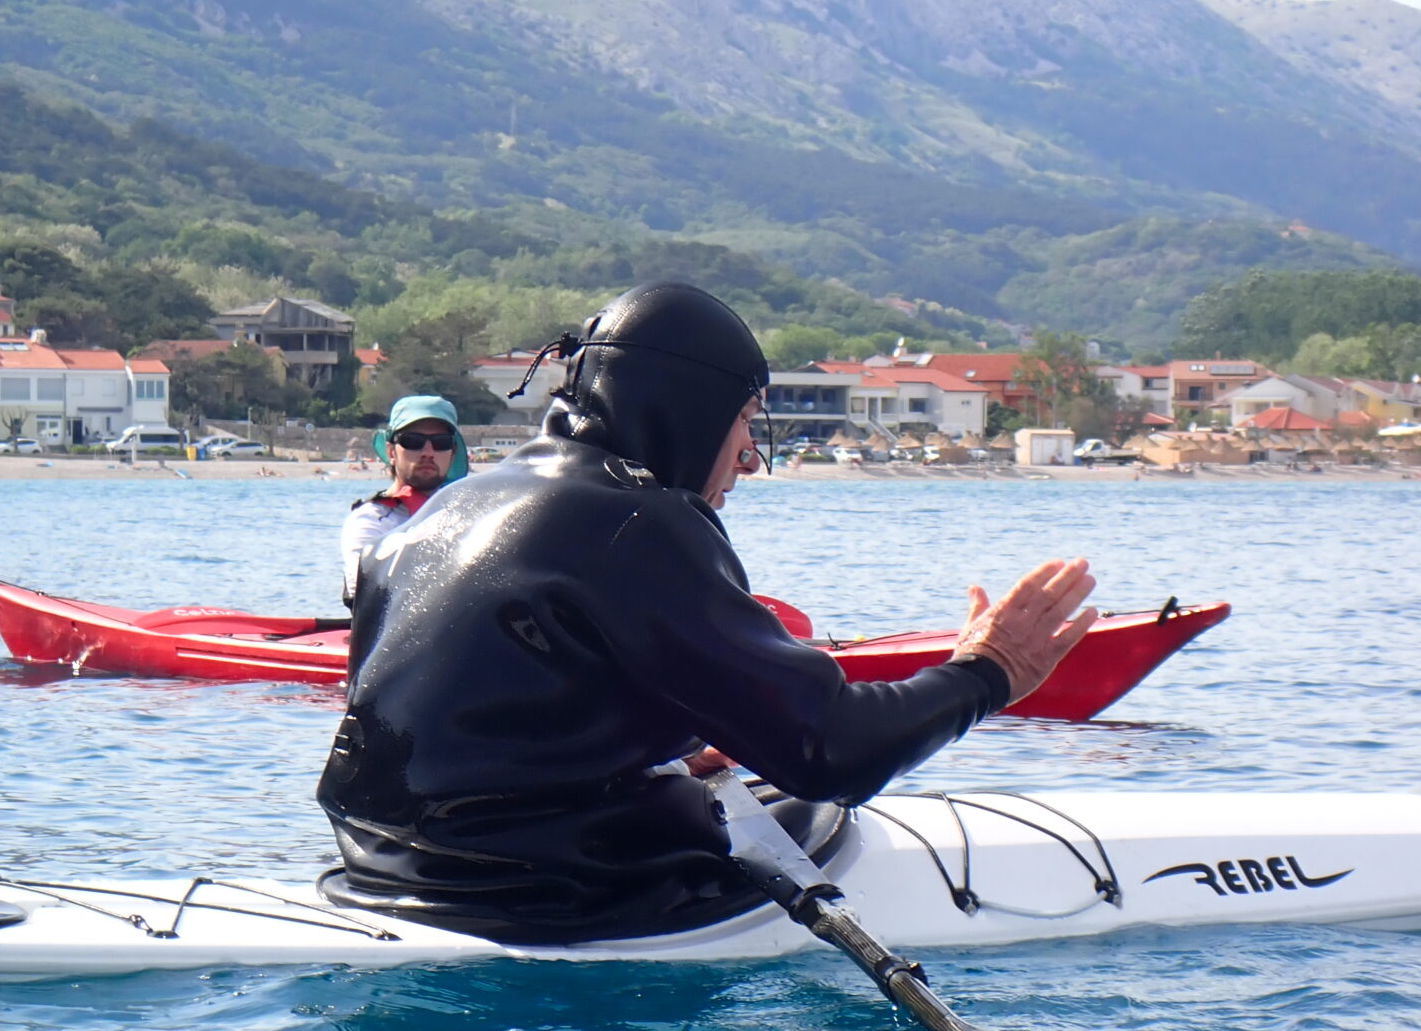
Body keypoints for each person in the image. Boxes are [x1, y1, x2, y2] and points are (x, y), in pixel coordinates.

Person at [316, 282, 1097, 944]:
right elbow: (834, 753)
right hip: (536, 896)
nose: (751, 455)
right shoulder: (639, 521)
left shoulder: (448, 507)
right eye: (746, 418)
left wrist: (647, 750)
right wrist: (989, 674)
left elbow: (457, 714)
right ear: (688, 410)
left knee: (728, 788)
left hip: (372, 865)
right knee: (808, 809)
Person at [336, 395, 471, 604]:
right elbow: (364, 596)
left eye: (440, 443)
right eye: (413, 442)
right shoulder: (370, 520)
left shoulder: (472, 517)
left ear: (452, 453)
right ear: (391, 452)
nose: (428, 453)